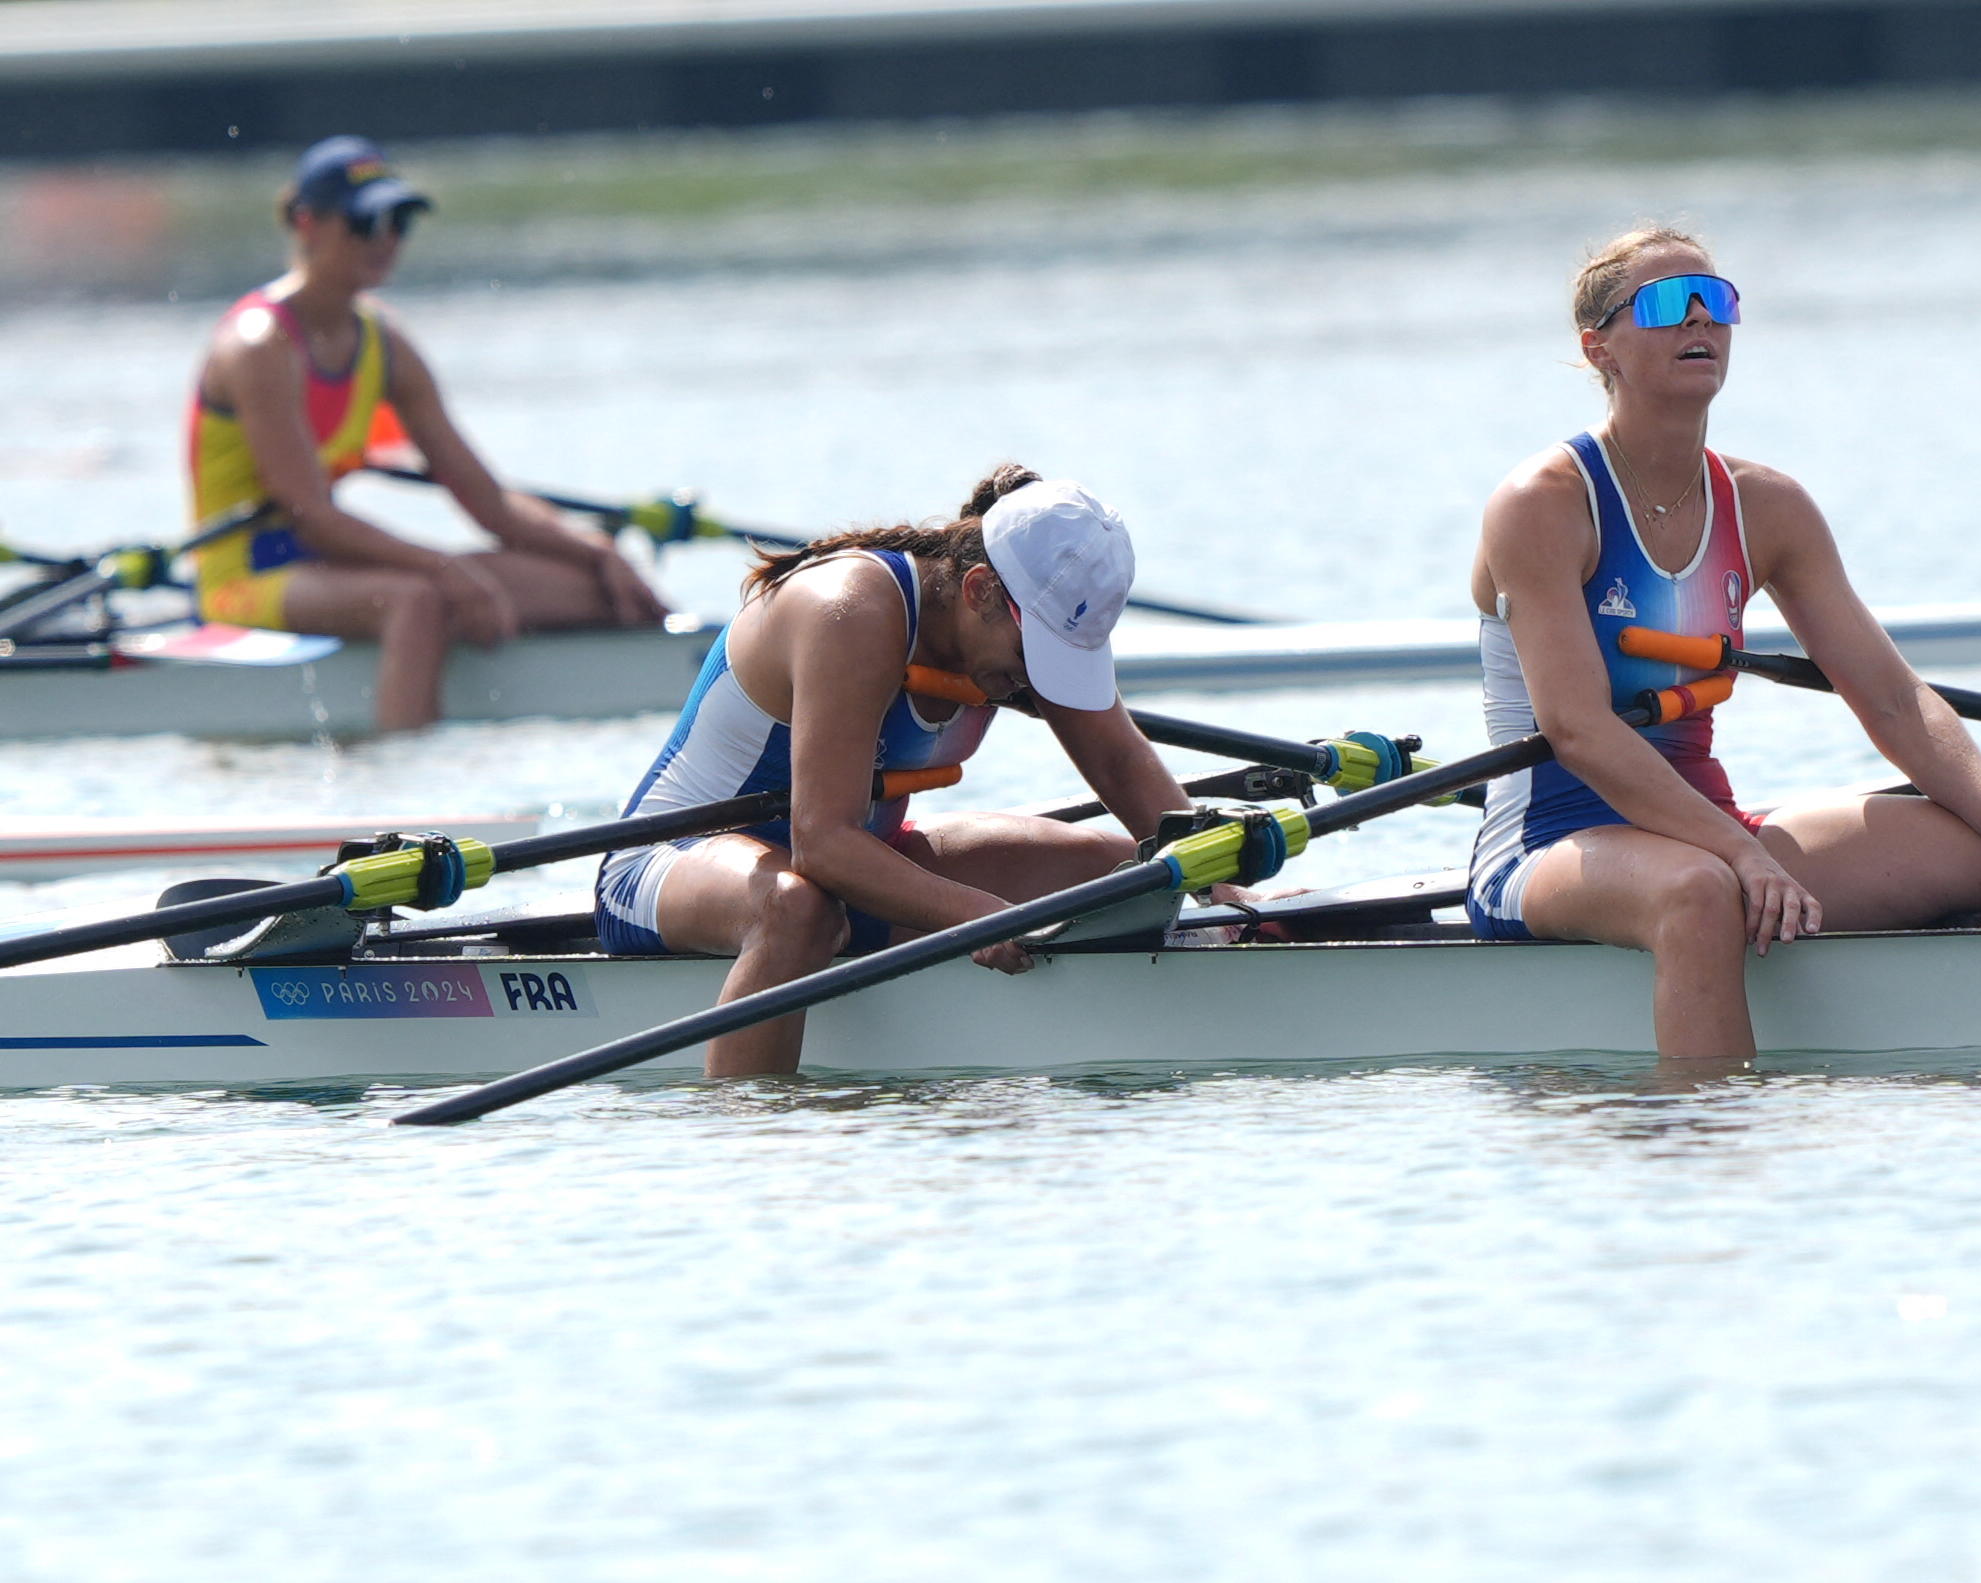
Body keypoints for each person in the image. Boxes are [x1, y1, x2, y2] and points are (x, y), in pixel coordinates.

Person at [1469, 226, 1981, 1060]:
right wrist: (1740, 856)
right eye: (1669, 304)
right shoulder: (1545, 502)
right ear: (1603, 349)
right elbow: (1579, 731)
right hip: (1554, 842)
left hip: (1712, 827)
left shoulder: (1767, 506)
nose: (1701, 320)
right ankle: (1712, 1143)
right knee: (1702, 892)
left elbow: (1891, 697)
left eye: (1720, 301)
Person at [597, 464, 1218, 1076]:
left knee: (1123, 874)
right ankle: (755, 1139)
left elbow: (1119, 758)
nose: (1038, 680)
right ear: (977, 591)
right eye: (1036, 654)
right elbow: (822, 846)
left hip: (852, 873)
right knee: (796, 909)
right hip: (669, 867)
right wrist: (976, 917)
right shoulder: (849, 610)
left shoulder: (1011, 620)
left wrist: (1223, 888)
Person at [186, 135, 666, 733]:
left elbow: (487, 502)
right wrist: (445, 570)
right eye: (365, 222)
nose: (386, 239)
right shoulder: (259, 345)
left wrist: (593, 550)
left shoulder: (384, 344)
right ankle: (412, 788)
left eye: (399, 222)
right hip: (248, 577)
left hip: (339, 569)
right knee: (416, 600)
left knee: (595, 590)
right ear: (307, 223)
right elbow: (312, 516)